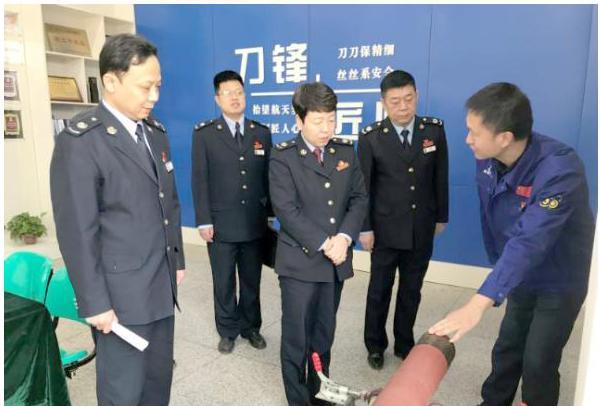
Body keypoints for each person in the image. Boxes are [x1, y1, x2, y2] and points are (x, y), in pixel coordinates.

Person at [429, 82, 594, 406]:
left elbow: (530, 239)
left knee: (539, 360)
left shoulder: (559, 168)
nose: (468, 139)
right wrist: (500, 272)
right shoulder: (487, 157)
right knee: (508, 347)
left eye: (474, 132)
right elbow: (491, 214)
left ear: (504, 137)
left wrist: (478, 303)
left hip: (559, 280)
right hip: (519, 275)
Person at [50, 33, 185, 405]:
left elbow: (168, 202)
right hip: (119, 294)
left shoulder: (155, 132)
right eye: (145, 87)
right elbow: (77, 231)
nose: (154, 96)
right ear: (111, 81)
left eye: (158, 86)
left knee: (158, 381)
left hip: (161, 283)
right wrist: (94, 302)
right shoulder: (81, 141)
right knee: (123, 390)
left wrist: (177, 259)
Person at [269, 82, 368, 406]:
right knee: (297, 338)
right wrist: (327, 243)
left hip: (335, 262)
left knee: (323, 335)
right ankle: (298, 399)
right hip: (300, 263)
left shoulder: (345, 151)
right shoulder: (283, 156)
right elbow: (286, 210)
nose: (327, 128)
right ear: (299, 120)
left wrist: (344, 238)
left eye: (331, 119)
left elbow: (358, 198)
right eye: (318, 121)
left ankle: (320, 392)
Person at [358, 70, 449, 370]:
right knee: (379, 290)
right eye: (395, 101)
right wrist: (365, 227)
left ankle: (404, 342)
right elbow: (364, 188)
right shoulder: (371, 137)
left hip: (421, 227)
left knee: (412, 290)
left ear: (417, 96)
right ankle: (375, 345)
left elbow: (440, 177)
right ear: (383, 102)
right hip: (384, 230)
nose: (403, 106)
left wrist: (441, 216)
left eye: (408, 99)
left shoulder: (433, 131)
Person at [191, 70, 272, 353]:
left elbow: (268, 177)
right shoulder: (205, 134)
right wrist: (203, 220)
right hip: (220, 223)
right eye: (228, 93)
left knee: (251, 280)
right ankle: (227, 330)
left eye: (239, 92)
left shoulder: (261, 133)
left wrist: (270, 215)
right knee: (223, 281)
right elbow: (199, 180)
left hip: (253, 223)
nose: (235, 98)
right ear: (217, 99)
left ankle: (251, 327)